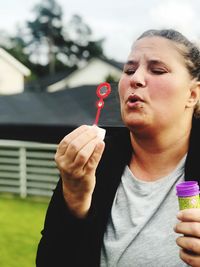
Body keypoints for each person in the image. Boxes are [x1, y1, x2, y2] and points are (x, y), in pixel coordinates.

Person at [36, 28, 200, 267]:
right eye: (129, 70)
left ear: (192, 94)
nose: (135, 79)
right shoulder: (95, 162)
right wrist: (75, 200)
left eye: (157, 70)